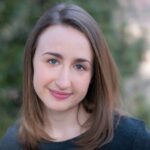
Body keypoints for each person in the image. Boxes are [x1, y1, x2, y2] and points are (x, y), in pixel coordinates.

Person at [0, 2, 150, 150]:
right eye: (53, 61)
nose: (63, 82)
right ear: (31, 61)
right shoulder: (12, 144)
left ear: (93, 75)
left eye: (79, 66)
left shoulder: (132, 141)